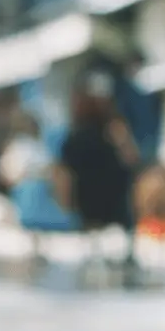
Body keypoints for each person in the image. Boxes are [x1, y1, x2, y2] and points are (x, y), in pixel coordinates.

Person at [55, 72, 142, 283]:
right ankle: (124, 254)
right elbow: (132, 160)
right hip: (110, 202)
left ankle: (104, 253)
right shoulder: (110, 131)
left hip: (94, 203)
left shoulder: (78, 136)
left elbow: (63, 172)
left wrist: (67, 202)